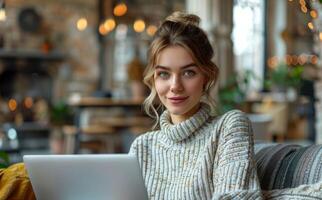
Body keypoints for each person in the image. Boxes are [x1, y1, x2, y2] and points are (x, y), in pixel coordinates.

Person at [129, 12, 322, 199]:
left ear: (206, 77)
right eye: (164, 74)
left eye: (188, 73)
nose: (175, 86)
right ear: (153, 79)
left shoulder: (228, 128)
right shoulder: (142, 148)